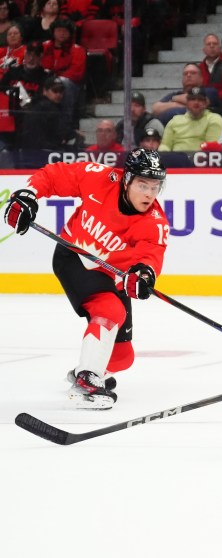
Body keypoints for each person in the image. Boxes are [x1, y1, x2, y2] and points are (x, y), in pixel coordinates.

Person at [2, 148, 168, 409]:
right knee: (111, 310)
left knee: (123, 358)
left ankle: (88, 368)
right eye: (143, 185)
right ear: (127, 180)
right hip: (73, 258)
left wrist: (143, 276)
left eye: (155, 186)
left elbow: (151, 254)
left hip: (110, 276)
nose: (149, 193)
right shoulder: (99, 178)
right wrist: (27, 195)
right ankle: (87, 380)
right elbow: (54, 175)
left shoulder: (155, 221)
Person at [158, 87, 222, 151]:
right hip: (176, 160)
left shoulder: (214, 119)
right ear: (186, 103)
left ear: (205, 103)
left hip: (201, 160)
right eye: (192, 99)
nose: (196, 102)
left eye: (200, 99)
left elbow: (213, 149)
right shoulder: (174, 121)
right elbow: (165, 145)